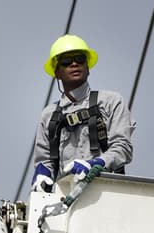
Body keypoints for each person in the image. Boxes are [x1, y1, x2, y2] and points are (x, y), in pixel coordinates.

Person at [31, 34, 134, 192]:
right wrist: (42, 174)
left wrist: (97, 164)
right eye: (66, 61)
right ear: (56, 72)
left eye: (80, 59)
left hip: (105, 193)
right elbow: (44, 160)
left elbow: (123, 148)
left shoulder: (110, 102)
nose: (74, 64)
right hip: (65, 199)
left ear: (87, 67)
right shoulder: (49, 115)